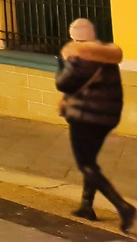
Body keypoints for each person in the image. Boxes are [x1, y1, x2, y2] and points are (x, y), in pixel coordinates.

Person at [56, 18, 134, 230]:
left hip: (85, 117)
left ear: (75, 37)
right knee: (90, 161)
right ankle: (86, 205)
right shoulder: (107, 56)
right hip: (107, 117)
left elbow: (62, 83)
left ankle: (123, 207)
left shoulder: (79, 57)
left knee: (86, 164)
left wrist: (61, 65)